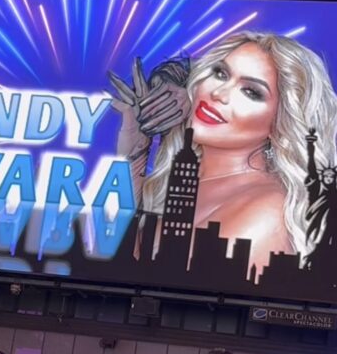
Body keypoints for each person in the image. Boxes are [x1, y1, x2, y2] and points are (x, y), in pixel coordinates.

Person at [109, 32, 337, 271]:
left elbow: (154, 285)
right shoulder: (184, 179)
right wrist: (135, 153)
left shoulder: (267, 211)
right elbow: (119, 263)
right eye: (220, 73)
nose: (218, 93)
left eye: (251, 91)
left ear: (281, 123)